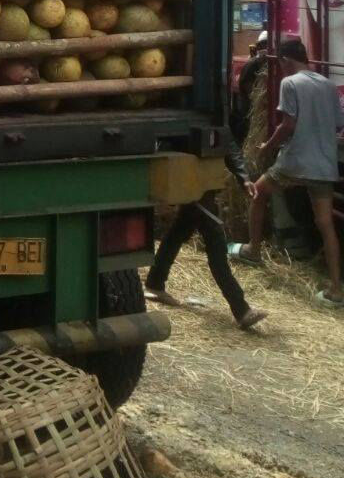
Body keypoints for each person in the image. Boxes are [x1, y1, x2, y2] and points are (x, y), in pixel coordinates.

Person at [229, 36, 344, 307]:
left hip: (295, 162)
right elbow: (338, 125)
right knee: (326, 225)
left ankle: (253, 250)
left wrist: (267, 147)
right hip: (324, 166)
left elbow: (288, 125)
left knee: (257, 192)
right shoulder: (328, 86)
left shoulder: (289, 83)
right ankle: (337, 290)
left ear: (285, 60)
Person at [144, 133, 267, 329]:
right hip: (191, 184)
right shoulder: (185, 113)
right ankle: (241, 309)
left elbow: (227, 141)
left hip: (204, 184)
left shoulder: (215, 111)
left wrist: (243, 176)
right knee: (216, 244)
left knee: (178, 233)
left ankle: (155, 282)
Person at [231, 30, 268, 147]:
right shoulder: (252, 64)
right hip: (250, 113)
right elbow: (250, 91)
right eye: (264, 45)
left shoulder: (263, 63)